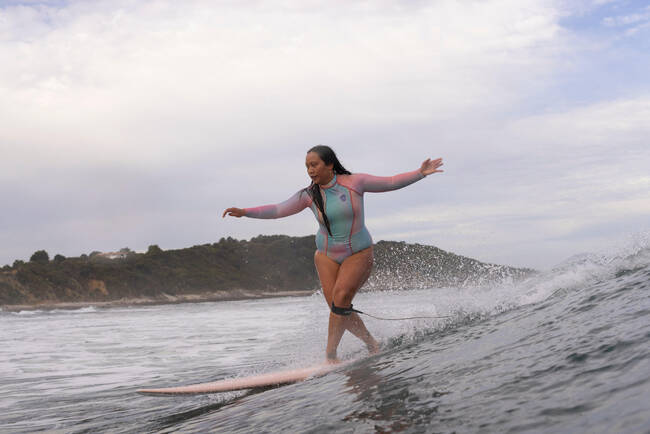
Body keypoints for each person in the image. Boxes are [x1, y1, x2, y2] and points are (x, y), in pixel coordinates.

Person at [223, 145, 444, 362]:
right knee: (338, 308)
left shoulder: (355, 183)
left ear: (329, 164)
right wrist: (245, 213)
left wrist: (420, 173)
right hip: (326, 255)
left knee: (340, 300)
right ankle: (371, 343)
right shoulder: (309, 195)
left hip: (358, 252)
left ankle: (330, 355)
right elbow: (278, 210)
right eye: (307, 166)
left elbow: (392, 182)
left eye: (314, 165)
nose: (310, 170)